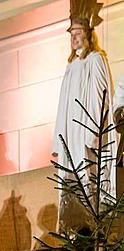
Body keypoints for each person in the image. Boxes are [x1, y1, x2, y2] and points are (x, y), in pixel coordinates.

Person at [52, 5, 115, 231]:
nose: (74, 39)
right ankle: (74, 228)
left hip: (87, 132)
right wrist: (59, 140)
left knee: (87, 175)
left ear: (88, 36)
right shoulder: (71, 66)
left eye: (78, 34)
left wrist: (98, 130)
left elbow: (102, 97)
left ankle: (90, 227)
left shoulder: (96, 60)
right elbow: (63, 105)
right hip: (71, 134)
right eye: (72, 35)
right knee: (71, 177)